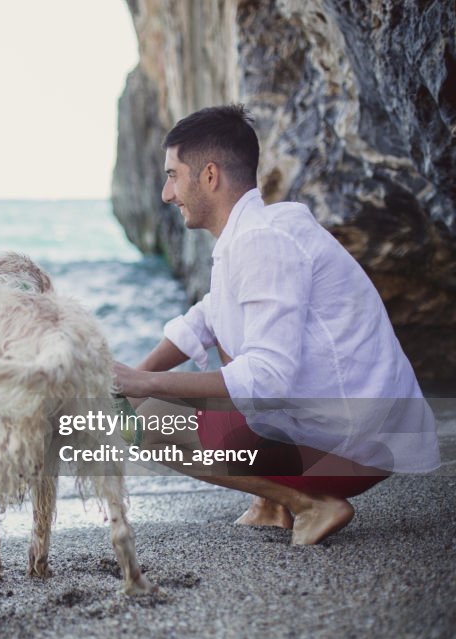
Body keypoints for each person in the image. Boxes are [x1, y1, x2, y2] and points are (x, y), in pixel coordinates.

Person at [111, 104, 439, 545]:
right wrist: (133, 378)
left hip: (349, 449)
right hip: (350, 433)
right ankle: (271, 504)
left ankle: (310, 503)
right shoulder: (258, 231)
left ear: (209, 176)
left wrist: (145, 385)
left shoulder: (263, 242)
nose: (167, 194)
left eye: (173, 175)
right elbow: (205, 318)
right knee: (200, 360)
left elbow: (267, 377)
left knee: (150, 424)